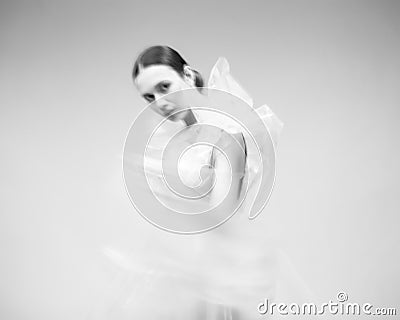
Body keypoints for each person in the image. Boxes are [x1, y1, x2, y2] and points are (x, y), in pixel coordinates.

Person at [89, 45, 314, 319]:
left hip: (230, 270)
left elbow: (223, 214)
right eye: (149, 96)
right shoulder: (180, 138)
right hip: (202, 266)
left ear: (186, 74)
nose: (160, 102)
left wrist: (166, 189)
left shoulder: (227, 133)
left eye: (164, 86)